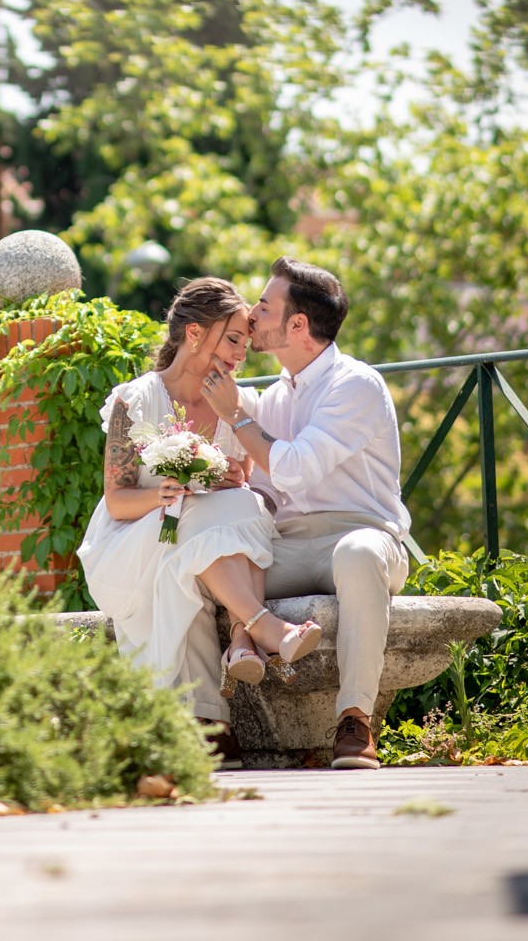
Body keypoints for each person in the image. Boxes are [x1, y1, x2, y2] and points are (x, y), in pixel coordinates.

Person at [77, 277, 322, 765]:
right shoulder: (136, 401)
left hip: (195, 545)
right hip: (129, 544)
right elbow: (118, 500)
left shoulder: (239, 406)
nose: (239, 356)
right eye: (232, 340)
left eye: (246, 346)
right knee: (191, 514)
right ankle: (253, 630)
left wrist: (235, 478)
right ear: (193, 333)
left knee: (243, 504)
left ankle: (216, 697)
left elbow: (250, 496)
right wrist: (161, 494)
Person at [201, 256, 410, 771]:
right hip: (290, 544)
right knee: (203, 564)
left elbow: (294, 466)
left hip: (363, 535)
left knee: (359, 554)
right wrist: (236, 487)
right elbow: (271, 491)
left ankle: (355, 720)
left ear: (298, 325)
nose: (252, 314)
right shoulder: (272, 398)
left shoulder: (355, 385)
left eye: (264, 306)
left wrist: (234, 414)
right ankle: (211, 721)